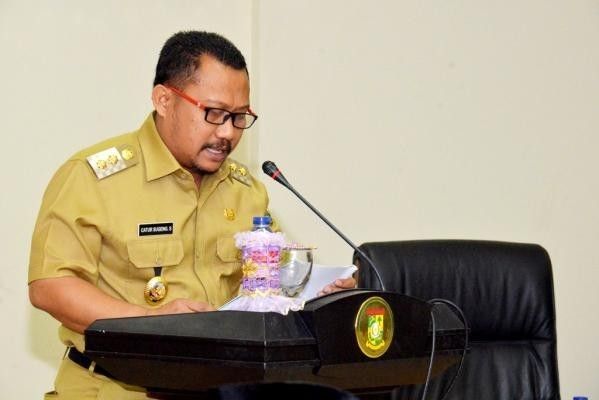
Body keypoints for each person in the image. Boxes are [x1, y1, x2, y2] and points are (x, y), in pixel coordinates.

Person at [28, 30, 355, 399]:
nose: (227, 133)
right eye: (214, 114)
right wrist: (150, 322)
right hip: (114, 388)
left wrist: (318, 293)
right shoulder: (93, 178)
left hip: (219, 389)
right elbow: (50, 287)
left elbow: (266, 288)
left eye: (239, 117)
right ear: (164, 99)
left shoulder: (245, 191)